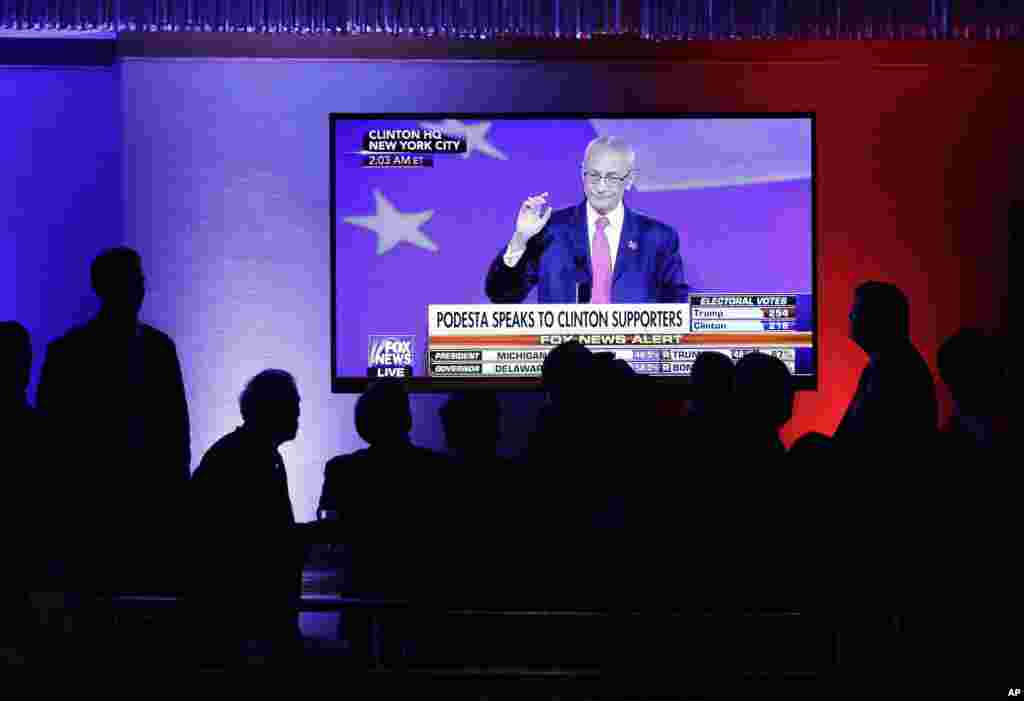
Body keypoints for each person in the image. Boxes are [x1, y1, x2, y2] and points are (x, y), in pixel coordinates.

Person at [35, 247, 191, 597]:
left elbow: (177, 431)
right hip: (99, 509)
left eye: (138, 280)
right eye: (132, 279)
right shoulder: (155, 349)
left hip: (127, 508)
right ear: (106, 286)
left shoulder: (69, 352)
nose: (138, 288)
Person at [188, 369, 327, 665]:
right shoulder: (247, 458)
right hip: (242, 620)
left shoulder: (246, 453)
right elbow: (258, 540)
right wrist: (311, 533)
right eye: (293, 406)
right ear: (273, 409)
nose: (298, 415)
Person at [484, 135, 688, 304]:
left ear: (629, 179)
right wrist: (520, 240)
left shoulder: (658, 238)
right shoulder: (550, 231)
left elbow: (677, 309)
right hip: (567, 352)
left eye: (611, 177)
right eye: (593, 175)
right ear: (582, 173)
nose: (600, 187)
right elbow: (501, 295)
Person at [833, 281, 937, 456]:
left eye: (857, 310)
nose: (850, 316)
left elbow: (865, 440)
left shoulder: (894, 370)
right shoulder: (885, 362)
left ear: (878, 318)